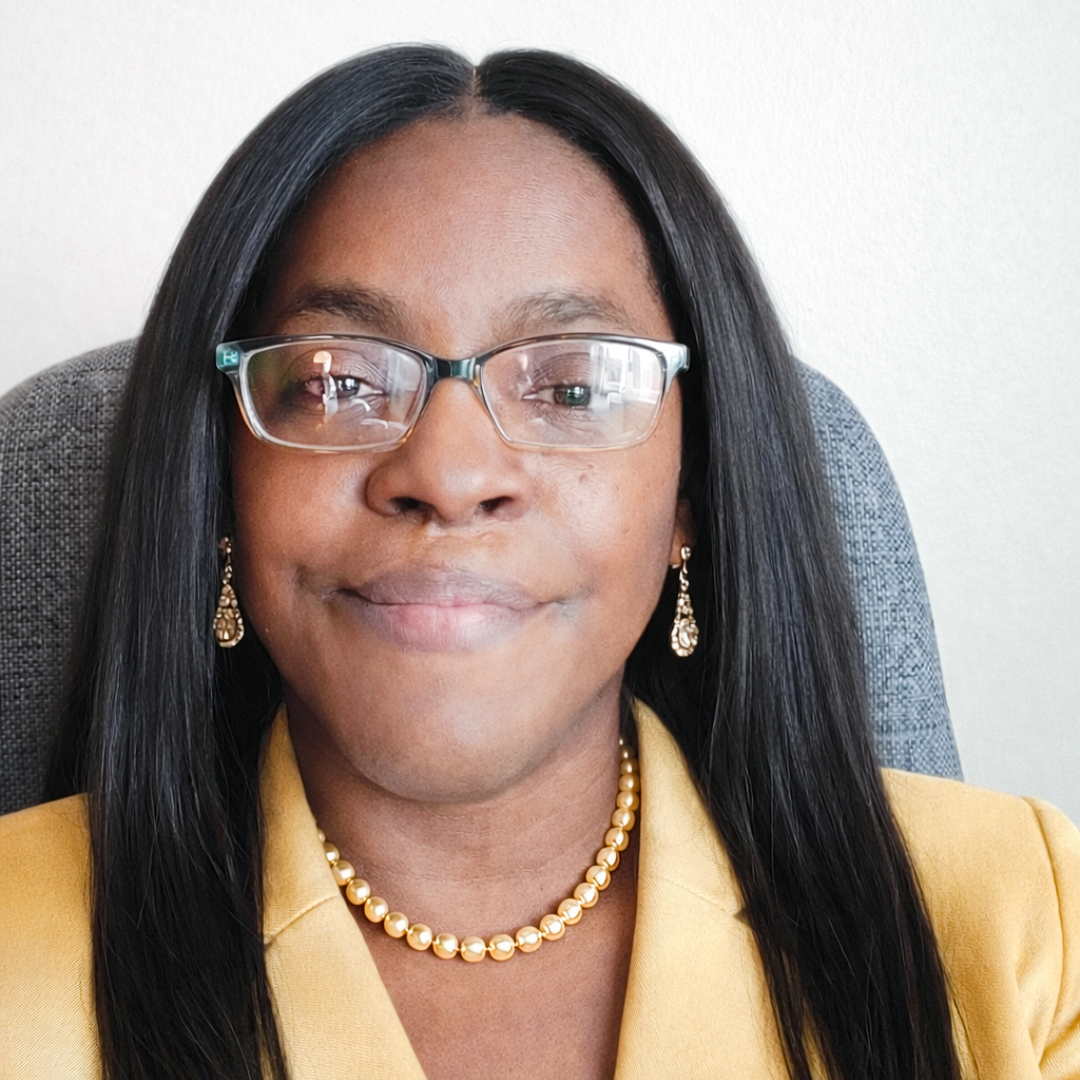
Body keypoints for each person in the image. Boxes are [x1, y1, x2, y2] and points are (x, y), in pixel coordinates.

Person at [1, 45, 1077, 1080]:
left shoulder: (1025, 920)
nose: (449, 473)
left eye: (571, 388)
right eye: (336, 382)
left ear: (691, 495)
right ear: (218, 480)